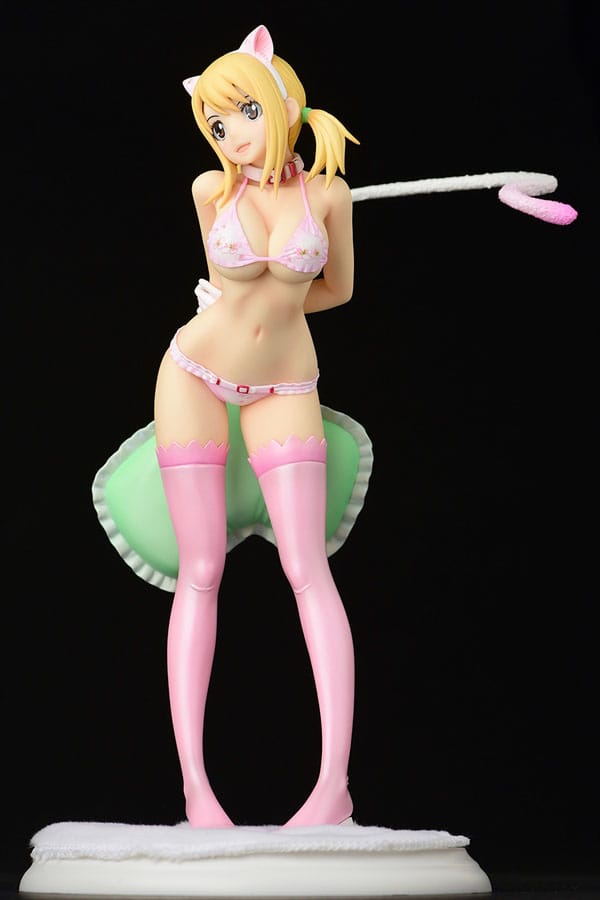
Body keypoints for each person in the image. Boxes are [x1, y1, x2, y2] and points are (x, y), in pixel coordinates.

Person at [151, 24, 361, 830]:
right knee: (201, 569)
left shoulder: (329, 196)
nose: (233, 135)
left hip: (286, 381)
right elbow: (224, 277)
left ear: (282, 104)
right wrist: (238, 303)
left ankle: (333, 787)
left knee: (308, 567)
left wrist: (279, 304)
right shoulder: (212, 190)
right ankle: (195, 790)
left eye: (243, 112)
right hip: (193, 373)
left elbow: (337, 291)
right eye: (216, 123)